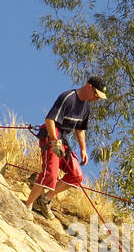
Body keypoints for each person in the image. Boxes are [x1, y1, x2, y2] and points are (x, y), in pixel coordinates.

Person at [25, 78, 107, 218]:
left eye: (99, 97)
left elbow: (80, 129)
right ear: (89, 87)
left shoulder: (86, 107)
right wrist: (54, 141)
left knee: (76, 176)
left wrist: (83, 149)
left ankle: (44, 200)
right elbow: (50, 120)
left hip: (63, 140)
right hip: (52, 134)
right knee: (50, 173)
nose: (96, 98)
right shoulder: (68, 97)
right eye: (96, 94)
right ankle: (28, 206)